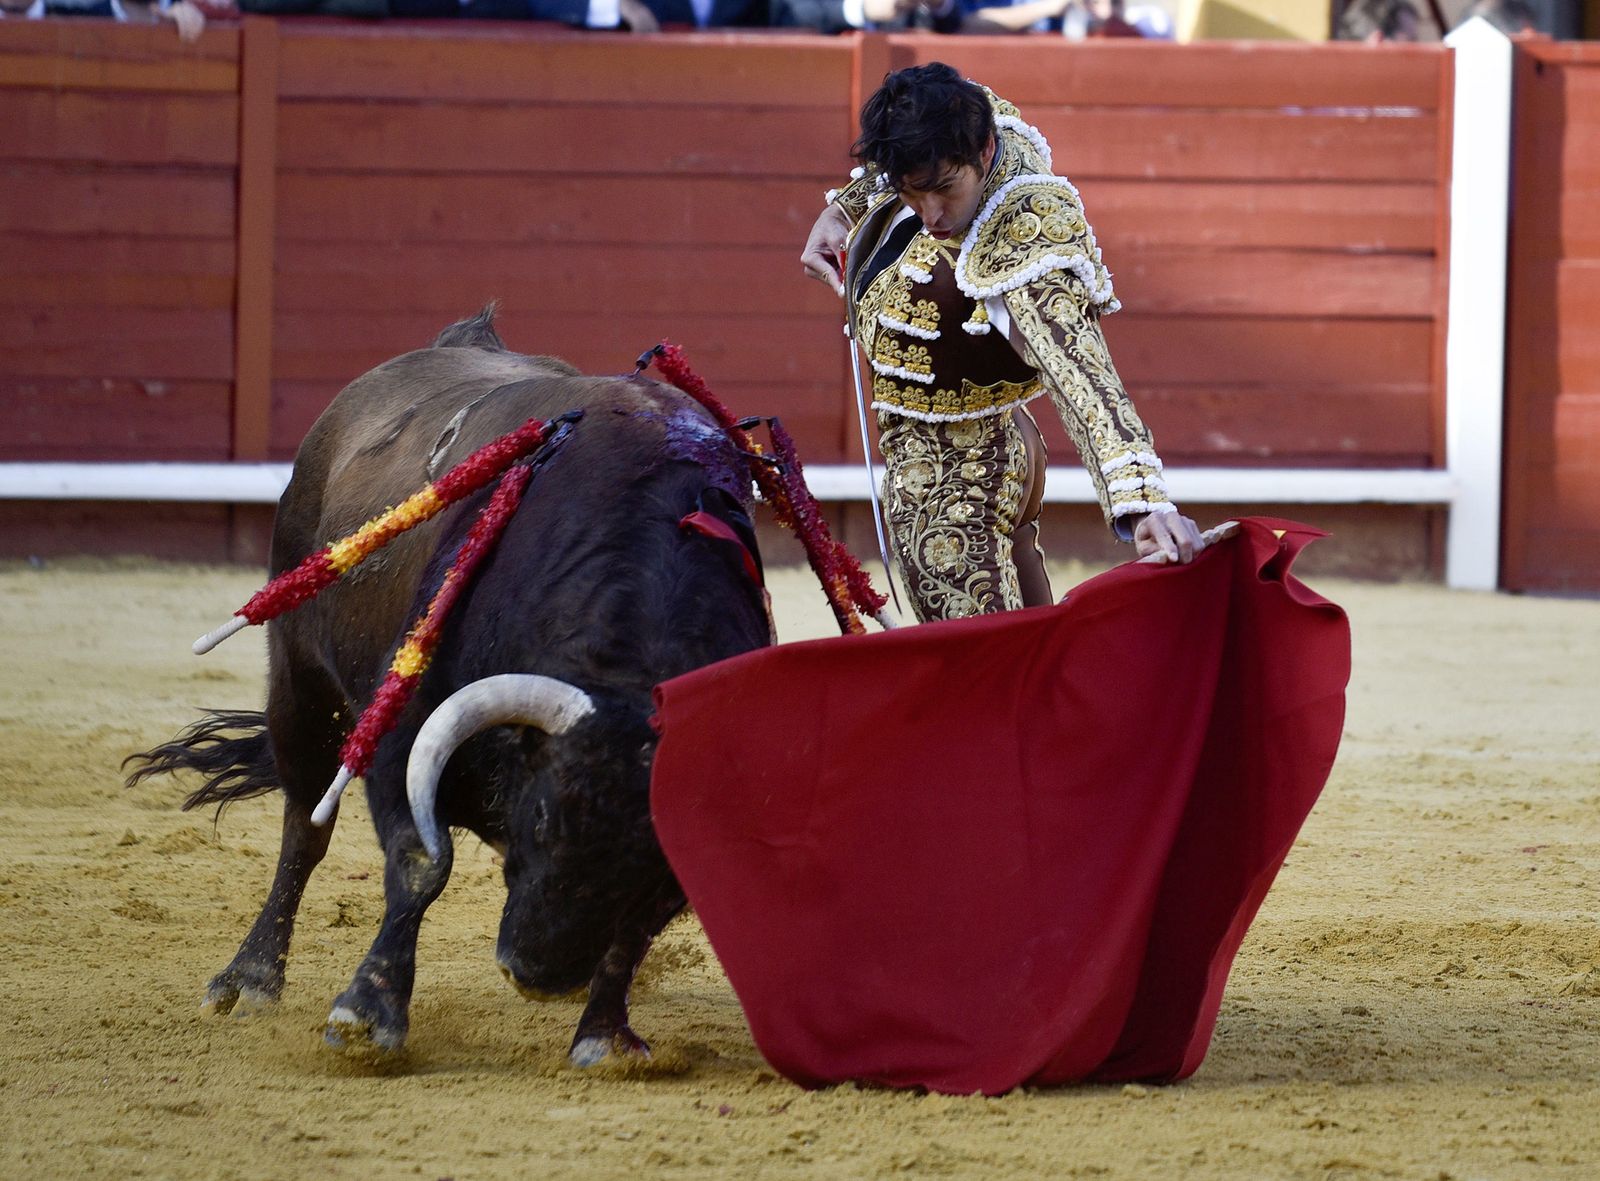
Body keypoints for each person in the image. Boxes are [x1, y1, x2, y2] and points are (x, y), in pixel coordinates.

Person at [800, 63, 1203, 622]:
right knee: (1029, 659)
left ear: (984, 151)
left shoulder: (1022, 234)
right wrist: (844, 207)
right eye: (912, 194)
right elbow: (923, 138)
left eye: (945, 190)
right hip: (991, 446)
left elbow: (1079, 374)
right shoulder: (974, 119)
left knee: (984, 668)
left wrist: (1144, 503)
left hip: (955, 475)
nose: (932, 216)